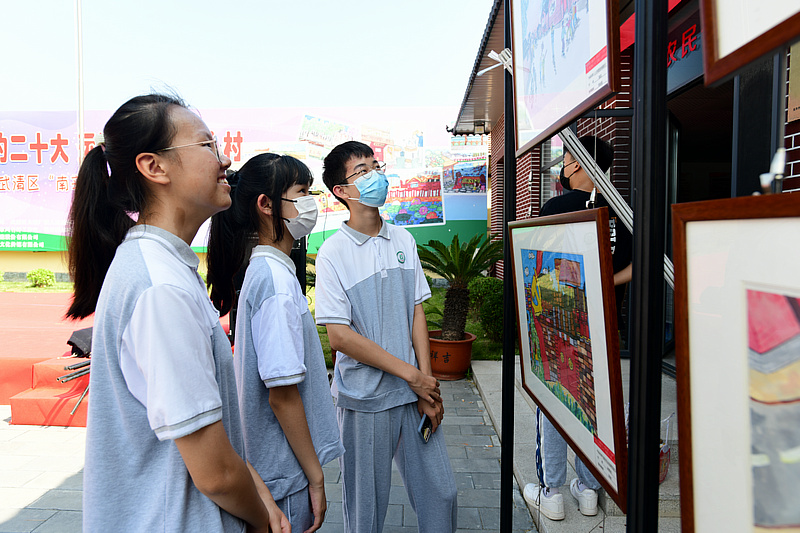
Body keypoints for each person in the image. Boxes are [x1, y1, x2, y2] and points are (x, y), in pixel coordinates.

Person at [66, 94, 289, 533]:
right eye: (206, 146)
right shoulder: (160, 288)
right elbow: (216, 475)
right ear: (154, 167)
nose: (224, 159)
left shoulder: (163, 268)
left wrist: (254, 482)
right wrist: (264, 520)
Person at [314, 141, 458, 532]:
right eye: (362, 171)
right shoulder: (333, 252)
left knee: (441, 493)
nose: (375, 175)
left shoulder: (403, 240)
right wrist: (411, 375)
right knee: (366, 510)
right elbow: (340, 337)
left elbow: (416, 312)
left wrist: (425, 382)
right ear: (342, 191)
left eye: (375, 165)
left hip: (413, 392)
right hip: (364, 399)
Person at [206, 153, 345, 533]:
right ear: (266, 205)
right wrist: (316, 478)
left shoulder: (265, 269)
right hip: (284, 472)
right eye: (300, 192)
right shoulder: (276, 282)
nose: (310, 203)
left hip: (272, 465)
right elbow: (282, 394)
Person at [522, 135, 632, 521]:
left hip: (560, 326)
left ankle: (550, 492)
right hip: (606, 328)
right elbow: (636, 266)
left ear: (578, 165)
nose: (562, 168)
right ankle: (588, 489)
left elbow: (541, 264)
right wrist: (602, 284)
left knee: (555, 402)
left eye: (566, 160)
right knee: (596, 405)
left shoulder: (557, 207)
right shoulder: (621, 210)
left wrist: (578, 285)